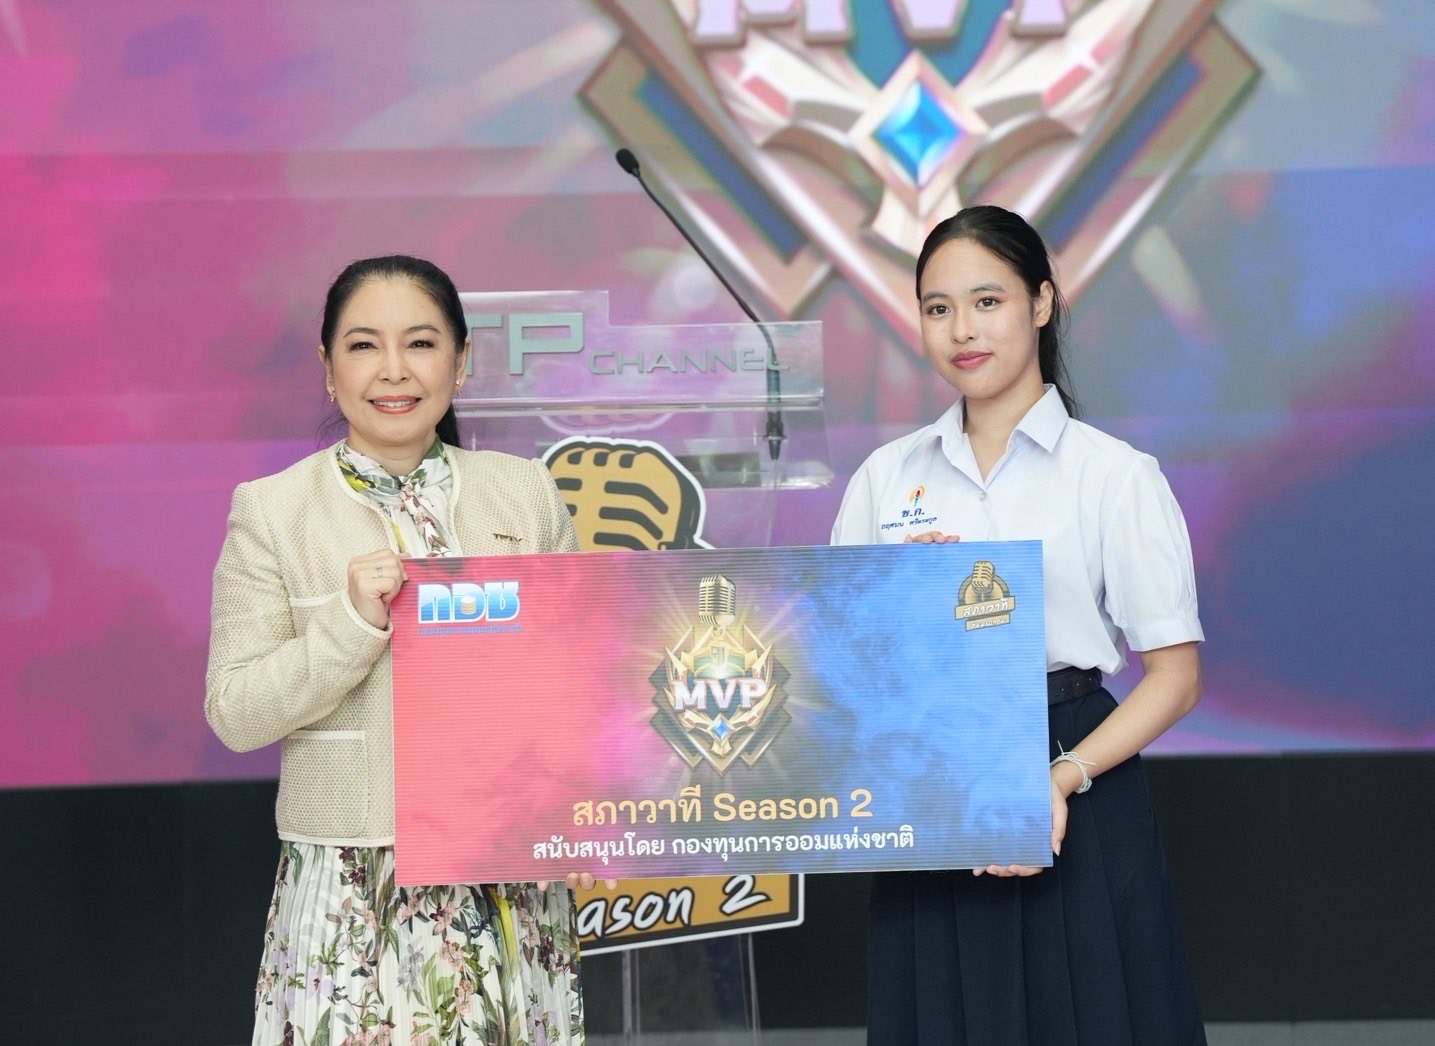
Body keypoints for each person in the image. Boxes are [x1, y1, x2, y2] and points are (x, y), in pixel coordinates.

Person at [831, 207, 1206, 1044]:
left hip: (1073, 768)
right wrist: (900, 613)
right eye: (937, 308)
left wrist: (1057, 779)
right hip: (929, 776)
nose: (961, 330)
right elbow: (845, 662)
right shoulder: (885, 477)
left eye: (987, 301)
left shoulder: (1113, 475)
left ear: (1040, 303)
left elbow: (1175, 677)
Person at [206, 256, 590, 1045]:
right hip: (354, 891)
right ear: (327, 368)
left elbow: (579, 683)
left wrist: (582, 815)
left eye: (419, 343)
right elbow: (236, 712)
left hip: (509, 881)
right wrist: (351, 622)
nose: (393, 370)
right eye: (363, 345)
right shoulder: (274, 511)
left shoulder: (523, 492)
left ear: (461, 360)